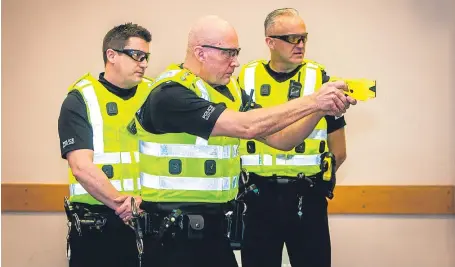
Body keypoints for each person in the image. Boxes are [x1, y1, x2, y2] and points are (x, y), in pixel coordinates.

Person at [132, 15, 355, 267]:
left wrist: (320, 109)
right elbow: (247, 126)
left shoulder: (230, 92)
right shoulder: (170, 94)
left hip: (215, 232)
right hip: (171, 237)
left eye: (236, 53)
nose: (236, 62)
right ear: (200, 52)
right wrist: (314, 100)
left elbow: (282, 140)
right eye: (228, 53)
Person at [237, 8, 348, 267]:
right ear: (270, 42)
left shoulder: (320, 80)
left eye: (304, 38)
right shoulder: (245, 79)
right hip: (257, 197)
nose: (300, 45)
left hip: (306, 196)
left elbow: (339, 150)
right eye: (292, 38)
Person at [58, 22, 153, 267]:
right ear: (111, 55)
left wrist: (142, 205)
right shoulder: (81, 99)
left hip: (150, 220)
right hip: (99, 227)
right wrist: (123, 205)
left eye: (146, 57)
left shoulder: (156, 94)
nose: (143, 63)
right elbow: (80, 166)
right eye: (136, 56)